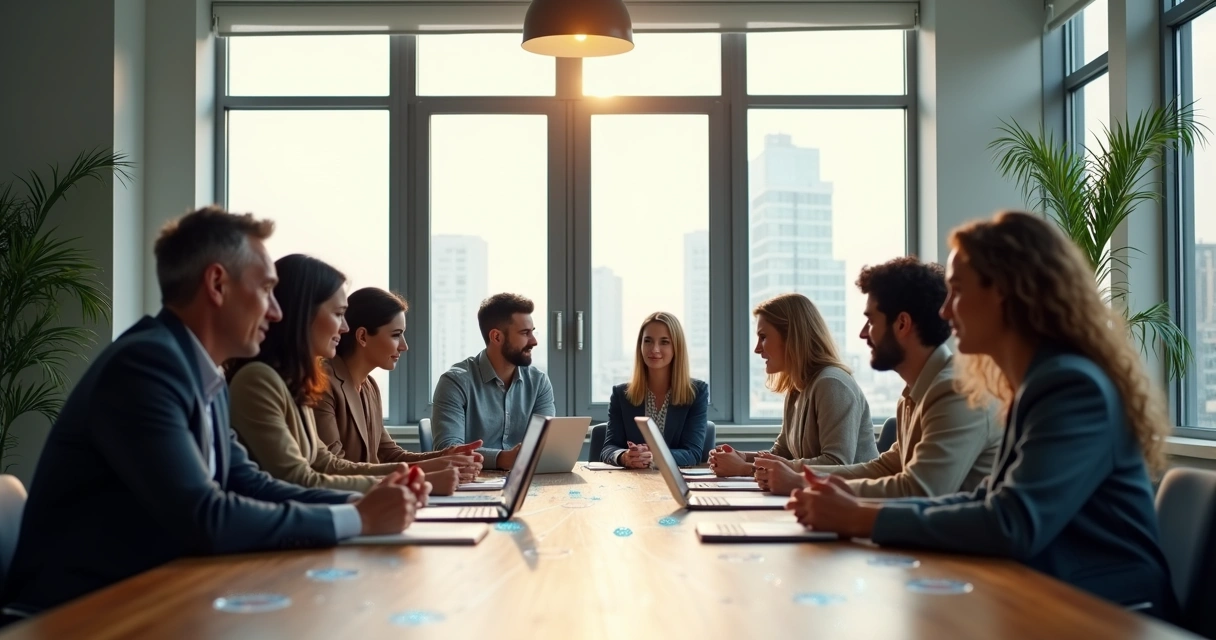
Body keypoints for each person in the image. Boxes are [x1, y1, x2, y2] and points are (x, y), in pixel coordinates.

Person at [0, 207, 422, 625]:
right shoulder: (146, 366)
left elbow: (250, 484)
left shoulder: (203, 372)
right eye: (266, 290)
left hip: (157, 597)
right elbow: (205, 516)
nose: (276, 312)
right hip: (82, 614)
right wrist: (358, 517)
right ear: (217, 284)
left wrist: (361, 501)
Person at [787, 211, 1178, 618]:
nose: (944, 312)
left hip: (1110, 610)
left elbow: (1011, 523)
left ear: (1006, 292)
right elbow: (988, 498)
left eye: (956, 291)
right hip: (1053, 591)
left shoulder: (1070, 387)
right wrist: (857, 509)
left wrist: (864, 519)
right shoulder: (1036, 382)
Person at [754, 258, 1000, 497]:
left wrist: (804, 483)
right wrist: (806, 479)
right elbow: (883, 468)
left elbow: (919, 490)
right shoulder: (913, 395)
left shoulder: (955, 390)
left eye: (870, 320)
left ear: (902, 324)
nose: (863, 334)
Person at [227, 255, 463, 495]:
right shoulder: (259, 381)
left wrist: (434, 464)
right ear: (303, 314)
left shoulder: (297, 382)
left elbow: (324, 463)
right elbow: (299, 478)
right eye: (338, 314)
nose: (345, 327)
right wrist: (416, 482)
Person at [316, 287, 484, 479]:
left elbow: (389, 455)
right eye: (396, 335)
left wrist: (446, 456)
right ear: (362, 336)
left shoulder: (369, 386)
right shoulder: (322, 383)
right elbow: (332, 469)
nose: (404, 346)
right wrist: (428, 470)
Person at [709, 293, 878, 476]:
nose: (757, 348)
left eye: (763, 337)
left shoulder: (832, 384)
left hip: (853, 498)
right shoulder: (797, 388)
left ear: (792, 337)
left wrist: (745, 469)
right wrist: (742, 456)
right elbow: (782, 454)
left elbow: (835, 463)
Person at [431, 293, 556, 470]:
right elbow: (448, 450)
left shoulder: (539, 382)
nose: (534, 341)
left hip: (525, 481)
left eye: (533, 332)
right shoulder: (455, 382)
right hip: (469, 483)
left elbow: (545, 445)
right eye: (525, 333)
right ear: (496, 337)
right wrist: (500, 459)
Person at [601, 312, 709, 468]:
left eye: (664, 342)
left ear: (676, 347)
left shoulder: (696, 393)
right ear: (640, 346)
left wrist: (655, 455)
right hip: (633, 483)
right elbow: (609, 448)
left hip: (677, 483)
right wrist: (625, 456)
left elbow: (692, 453)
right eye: (648, 341)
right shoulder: (621, 395)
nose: (654, 349)